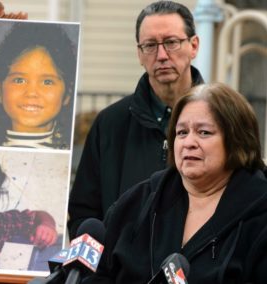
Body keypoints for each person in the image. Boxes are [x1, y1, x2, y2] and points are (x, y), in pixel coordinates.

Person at [85, 82, 267, 283]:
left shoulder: (260, 212)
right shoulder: (141, 200)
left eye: (204, 132)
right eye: (181, 132)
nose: (189, 142)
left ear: (236, 140)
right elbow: (99, 274)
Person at [68, 0, 204, 239]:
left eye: (171, 42)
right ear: (139, 54)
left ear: (194, 46)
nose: (161, 55)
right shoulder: (110, 124)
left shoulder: (223, 121)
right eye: (150, 45)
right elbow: (83, 214)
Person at [0, 21, 78, 149]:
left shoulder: (75, 151)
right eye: (19, 80)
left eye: (47, 82)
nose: (31, 93)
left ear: (67, 95)